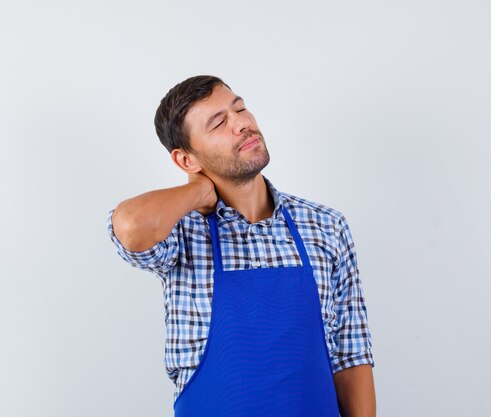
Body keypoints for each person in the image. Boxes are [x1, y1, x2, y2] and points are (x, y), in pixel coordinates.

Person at [106, 75, 376, 416]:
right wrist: (199, 192)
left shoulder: (325, 226)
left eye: (240, 108)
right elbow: (130, 225)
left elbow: (351, 355)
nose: (242, 124)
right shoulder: (181, 234)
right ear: (187, 160)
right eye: (219, 123)